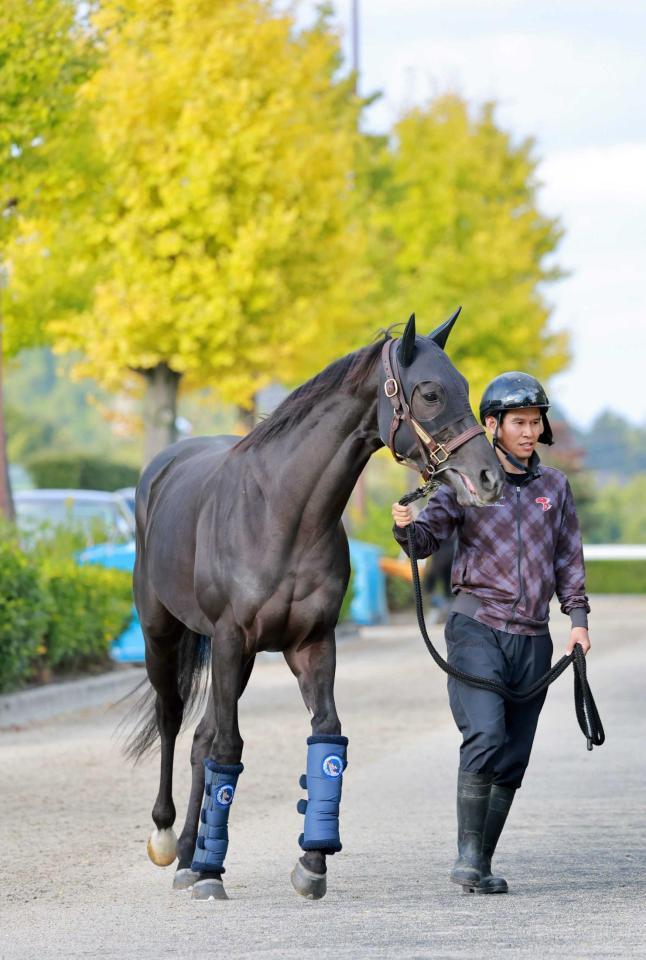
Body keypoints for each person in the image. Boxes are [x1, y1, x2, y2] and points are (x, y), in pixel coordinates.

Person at [391, 372, 590, 894]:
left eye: (535, 421)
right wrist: (406, 526)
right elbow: (426, 538)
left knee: (514, 755)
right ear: (492, 426)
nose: (529, 431)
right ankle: (467, 857)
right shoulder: (465, 482)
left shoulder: (555, 488)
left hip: (533, 637)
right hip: (476, 626)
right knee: (486, 734)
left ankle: (479, 863)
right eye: (519, 422)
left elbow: (569, 559)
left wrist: (578, 623)